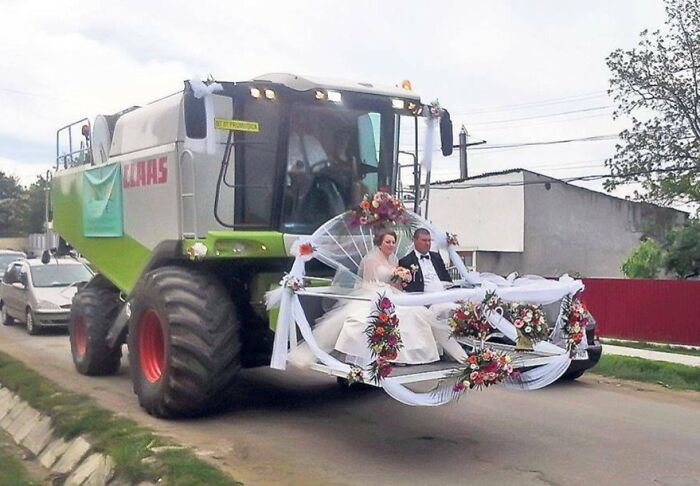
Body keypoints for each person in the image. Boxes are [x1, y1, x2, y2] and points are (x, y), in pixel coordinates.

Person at [288, 230, 442, 367]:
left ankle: (412, 354)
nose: (391, 245)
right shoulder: (370, 260)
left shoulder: (394, 260)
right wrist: (387, 286)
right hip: (374, 294)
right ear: (380, 244)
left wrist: (401, 280)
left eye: (393, 242)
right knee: (379, 318)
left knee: (414, 312)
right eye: (387, 242)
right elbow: (368, 284)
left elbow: (396, 285)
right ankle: (386, 355)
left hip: (392, 294)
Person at [399, 228, 467, 362]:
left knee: (465, 309)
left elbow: (447, 279)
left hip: (444, 295)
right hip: (426, 300)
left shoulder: (436, 257)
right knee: (446, 310)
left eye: (429, 240)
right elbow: (409, 288)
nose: (427, 243)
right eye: (424, 240)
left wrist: (454, 294)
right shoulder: (406, 261)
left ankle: (464, 346)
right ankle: (461, 355)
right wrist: (425, 301)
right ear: (415, 241)